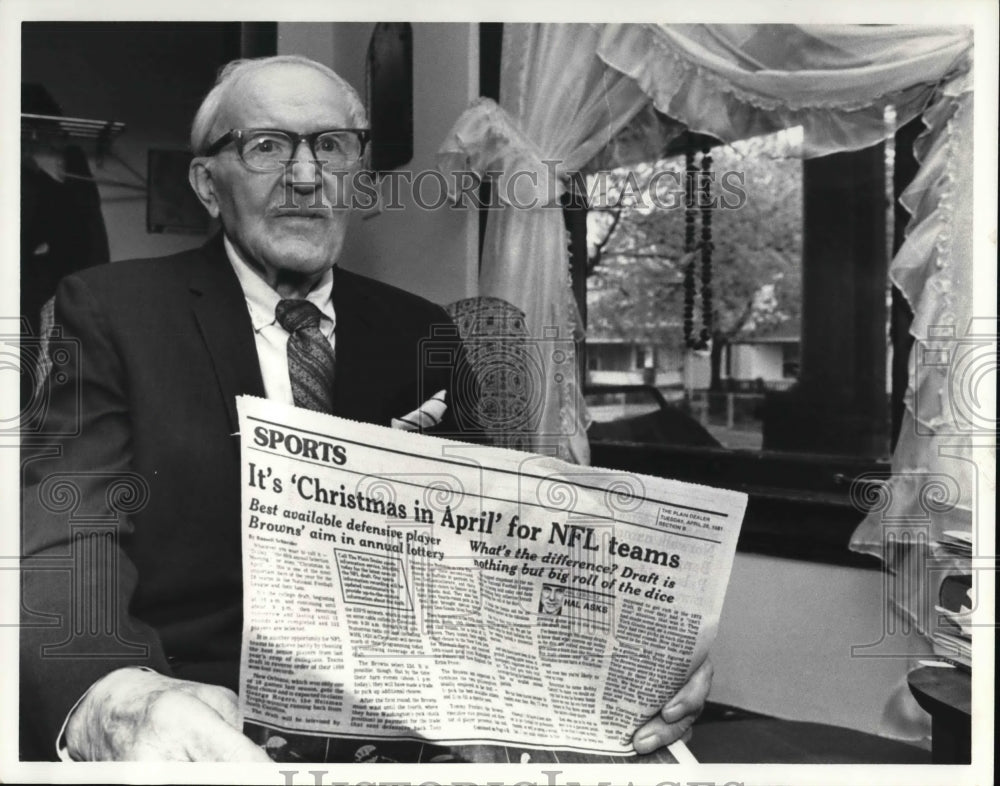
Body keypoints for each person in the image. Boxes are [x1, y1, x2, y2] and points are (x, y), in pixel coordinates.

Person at [20, 54, 711, 762]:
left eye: (331, 145)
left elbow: (494, 545)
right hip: (206, 716)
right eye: (266, 146)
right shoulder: (108, 311)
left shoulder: (421, 331)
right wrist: (115, 698)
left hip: (409, 716)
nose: (305, 175)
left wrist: (623, 647)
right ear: (207, 184)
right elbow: (71, 533)